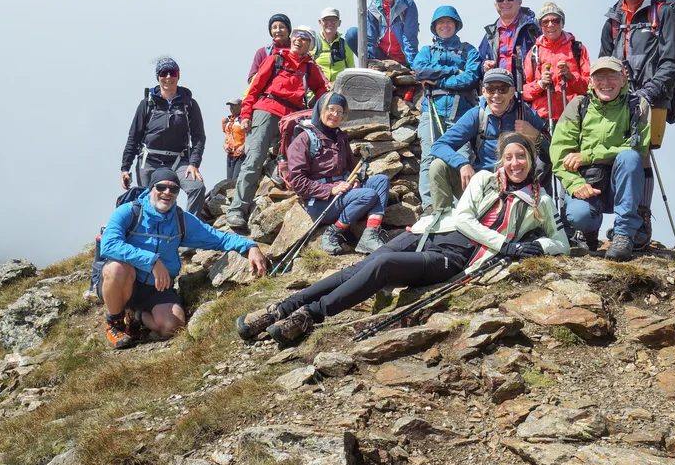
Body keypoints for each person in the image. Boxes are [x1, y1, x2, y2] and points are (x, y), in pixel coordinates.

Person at [235, 133, 568, 346]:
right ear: (502, 159)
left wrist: (537, 245)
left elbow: (562, 242)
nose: (514, 163)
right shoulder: (484, 178)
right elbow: (465, 219)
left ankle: (310, 314)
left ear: (532, 160)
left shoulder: (541, 201)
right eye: (509, 157)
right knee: (361, 266)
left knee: (382, 263)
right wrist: (506, 244)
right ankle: (280, 309)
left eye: (521, 157)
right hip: (429, 233)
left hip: (452, 259)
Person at [98, 168, 269, 349]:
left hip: (156, 287)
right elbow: (109, 245)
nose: (167, 193)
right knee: (118, 268)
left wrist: (250, 246)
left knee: (172, 327)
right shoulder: (128, 212)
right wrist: (152, 261)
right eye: (161, 187)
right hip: (123, 282)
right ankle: (115, 323)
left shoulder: (181, 219)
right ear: (150, 189)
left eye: (173, 189)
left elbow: (218, 238)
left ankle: (134, 315)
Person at [598, 0, 675, 250]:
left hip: (653, 96)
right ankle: (627, 218)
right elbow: (604, 62)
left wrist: (650, 91)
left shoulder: (663, 12)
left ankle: (640, 218)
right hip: (621, 97)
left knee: (642, 152)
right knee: (620, 153)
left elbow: (671, 60)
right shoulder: (613, 20)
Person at [227, 26, 330, 230]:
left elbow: (321, 88)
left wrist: (322, 105)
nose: (298, 39)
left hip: (292, 116)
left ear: (311, 44)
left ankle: (276, 184)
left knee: (297, 159)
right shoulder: (276, 59)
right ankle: (237, 210)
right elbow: (254, 88)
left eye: (304, 37)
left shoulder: (310, 67)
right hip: (266, 110)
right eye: (296, 36)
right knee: (254, 159)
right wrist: (246, 114)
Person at [551, 57, 650, 260]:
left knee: (629, 158)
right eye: (600, 77)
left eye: (612, 76)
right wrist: (575, 183)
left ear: (623, 80)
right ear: (590, 81)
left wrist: (589, 155)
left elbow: (638, 149)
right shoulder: (578, 105)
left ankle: (624, 235)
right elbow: (560, 152)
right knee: (579, 216)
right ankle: (589, 233)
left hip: (619, 183)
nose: (606, 82)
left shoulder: (637, 105)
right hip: (587, 181)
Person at [428, 68, 546, 211]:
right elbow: (438, 146)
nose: (496, 95)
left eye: (503, 89)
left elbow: (553, 151)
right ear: (483, 91)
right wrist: (462, 163)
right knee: (438, 166)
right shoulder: (476, 115)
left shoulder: (526, 114)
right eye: (490, 89)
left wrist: (535, 135)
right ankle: (444, 220)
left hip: (517, 185)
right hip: (481, 184)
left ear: (512, 91)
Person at [288, 92, 391, 254]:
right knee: (368, 195)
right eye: (331, 109)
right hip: (319, 202)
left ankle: (370, 234)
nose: (335, 115)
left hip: (345, 191)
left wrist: (356, 178)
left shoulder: (340, 138)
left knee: (381, 180)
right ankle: (332, 233)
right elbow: (298, 182)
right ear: (321, 109)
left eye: (340, 112)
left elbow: (353, 166)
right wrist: (330, 189)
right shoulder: (304, 140)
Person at [411, 5, 482, 211]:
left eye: (449, 22)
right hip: (432, 111)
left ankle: (463, 207)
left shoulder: (469, 51)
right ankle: (430, 206)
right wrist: (453, 70)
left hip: (461, 115)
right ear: (434, 27)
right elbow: (420, 72)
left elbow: (471, 78)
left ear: (456, 25)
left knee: (462, 158)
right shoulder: (427, 51)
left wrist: (439, 82)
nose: (445, 25)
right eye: (441, 22)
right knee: (429, 158)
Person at [120, 57, 208, 215]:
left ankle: (188, 229)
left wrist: (194, 163)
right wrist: (125, 167)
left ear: (178, 75)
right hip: (150, 161)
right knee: (148, 200)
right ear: (158, 77)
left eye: (172, 72)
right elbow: (134, 137)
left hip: (179, 160)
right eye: (163, 73)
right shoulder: (147, 104)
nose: (168, 77)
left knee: (197, 188)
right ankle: (150, 235)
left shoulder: (189, 104)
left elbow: (199, 137)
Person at [522, 2, 591, 122]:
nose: (550, 25)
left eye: (556, 20)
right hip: (542, 119)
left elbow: (589, 87)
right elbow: (525, 92)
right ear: (540, 26)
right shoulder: (534, 52)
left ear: (562, 23)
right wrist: (540, 84)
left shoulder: (577, 48)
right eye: (545, 22)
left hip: (573, 116)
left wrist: (571, 76)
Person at [345, 0, 420, 66]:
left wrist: (412, 65)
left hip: (402, 59)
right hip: (382, 56)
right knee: (352, 34)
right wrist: (369, 63)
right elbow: (370, 37)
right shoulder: (374, 8)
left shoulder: (407, 4)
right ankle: (369, 64)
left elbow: (409, 36)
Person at [479, 0, 539, 90]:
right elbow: (480, 62)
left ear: (520, 3)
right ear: (495, 4)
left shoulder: (533, 28)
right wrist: (484, 66)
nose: (505, 2)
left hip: (529, 92)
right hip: (499, 93)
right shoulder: (490, 34)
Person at [314, 7, 357, 83]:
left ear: (339, 23)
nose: (330, 23)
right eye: (326, 20)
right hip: (317, 90)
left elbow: (352, 70)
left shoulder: (345, 45)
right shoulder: (313, 44)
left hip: (339, 90)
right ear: (320, 22)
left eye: (333, 20)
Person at [248, 14, 292, 83]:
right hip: (268, 92)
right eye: (274, 27)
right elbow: (251, 78)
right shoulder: (262, 52)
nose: (278, 30)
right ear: (271, 31)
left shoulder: (297, 51)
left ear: (288, 30)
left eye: (282, 27)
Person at [222, 97, 245, 181]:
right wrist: (225, 145)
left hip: (241, 155)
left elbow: (251, 135)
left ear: (240, 106)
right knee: (229, 181)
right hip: (230, 155)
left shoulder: (244, 120)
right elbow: (227, 136)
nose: (231, 108)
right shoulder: (227, 121)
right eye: (230, 106)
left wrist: (244, 146)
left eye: (234, 106)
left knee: (236, 180)